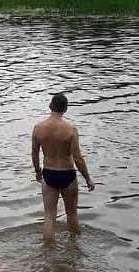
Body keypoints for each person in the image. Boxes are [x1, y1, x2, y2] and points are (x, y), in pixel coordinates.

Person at [31, 93, 95, 242]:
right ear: (65, 109)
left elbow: (34, 154)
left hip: (49, 174)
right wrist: (88, 179)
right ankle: (74, 248)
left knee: (49, 216)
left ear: (50, 106)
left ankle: (48, 250)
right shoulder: (71, 130)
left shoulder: (38, 128)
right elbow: (77, 158)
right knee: (72, 213)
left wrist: (37, 172)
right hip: (68, 174)